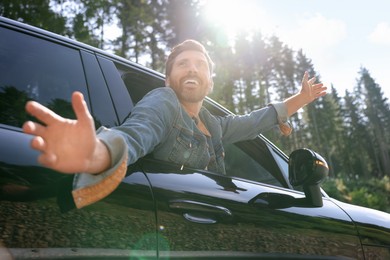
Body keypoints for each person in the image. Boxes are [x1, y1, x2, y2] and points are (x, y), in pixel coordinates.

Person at [23, 39, 327, 209]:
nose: (191, 68)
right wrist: (98, 153)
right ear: (169, 78)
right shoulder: (164, 101)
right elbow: (136, 134)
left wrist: (300, 99)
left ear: (209, 82)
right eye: (183, 64)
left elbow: (254, 121)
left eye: (200, 65)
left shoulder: (216, 125)